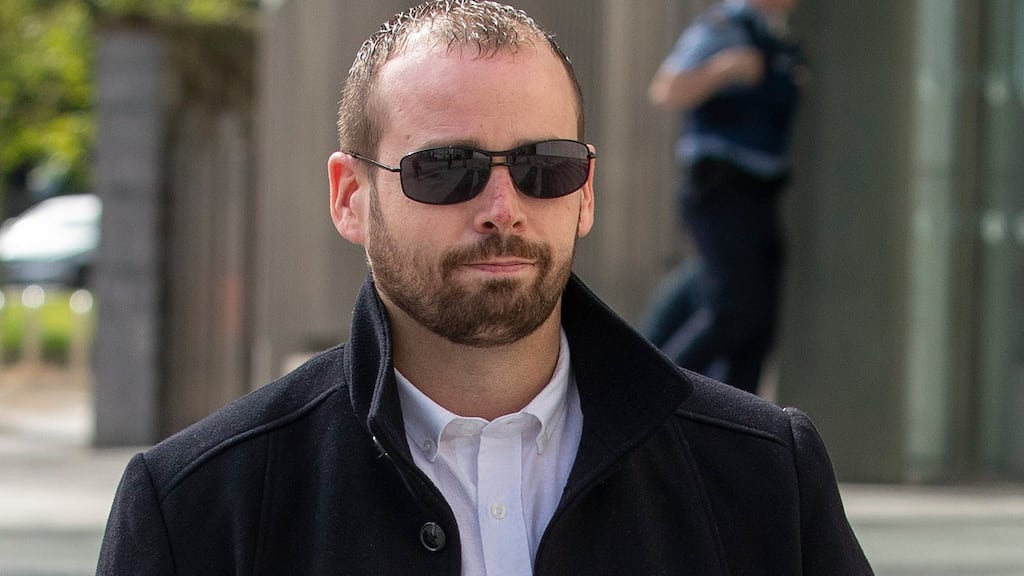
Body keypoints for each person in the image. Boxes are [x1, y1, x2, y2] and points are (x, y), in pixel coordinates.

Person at [97, 1, 871, 574]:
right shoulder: (197, 507)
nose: (503, 208)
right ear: (349, 196)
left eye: (545, 167)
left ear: (586, 192)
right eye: (447, 169)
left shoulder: (764, 475)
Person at [643, 0, 804, 395]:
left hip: (762, 196)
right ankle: (653, 393)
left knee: (757, 327)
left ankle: (735, 418)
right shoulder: (726, 27)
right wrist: (726, 68)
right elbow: (667, 89)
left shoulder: (778, 38)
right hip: (722, 190)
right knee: (733, 310)